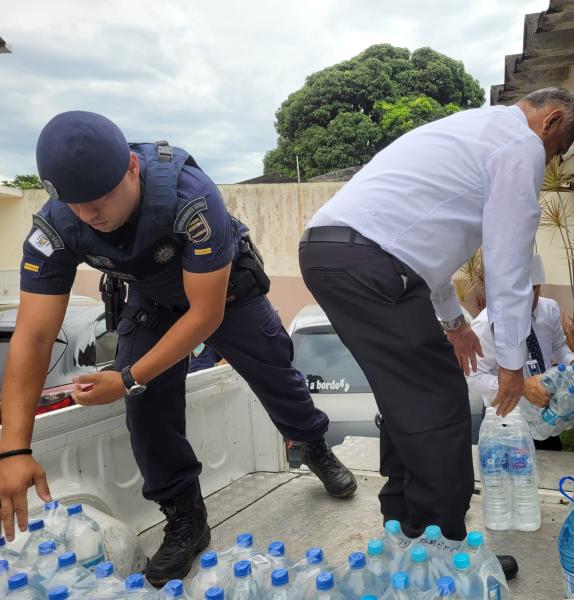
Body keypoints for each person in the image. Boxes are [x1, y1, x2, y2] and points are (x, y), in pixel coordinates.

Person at [0, 112, 356, 586]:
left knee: (275, 373)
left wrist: (125, 378)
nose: (91, 215)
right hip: (154, 297)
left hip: (224, 296)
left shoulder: (191, 197)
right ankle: (186, 517)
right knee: (145, 404)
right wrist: (13, 449)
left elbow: (205, 316)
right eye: (77, 204)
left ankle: (313, 445)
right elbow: (34, 335)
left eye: (102, 197)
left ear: (131, 167)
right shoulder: (57, 227)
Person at [299, 87, 574, 553]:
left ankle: (404, 530)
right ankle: (442, 547)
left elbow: (424, 249)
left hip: (331, 252)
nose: (548, 163)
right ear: (550, 122)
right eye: (556, 151)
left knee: (407, 398)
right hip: (371, 261)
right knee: (443, 402)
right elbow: (508, 261)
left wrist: (455, 324)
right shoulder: (521, 144)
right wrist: (512, 362)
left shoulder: (472, 129)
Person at [467, 254, 574, 450]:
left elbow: (559, 347)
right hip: (505, 419)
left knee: (552, 467)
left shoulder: (549, 310)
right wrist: (521, 387)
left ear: (538, 287)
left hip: (544, 414)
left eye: (531, 290)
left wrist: (572, 365)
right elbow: (473, 377)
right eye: (517, 292)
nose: (523, 299)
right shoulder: (486, 324)